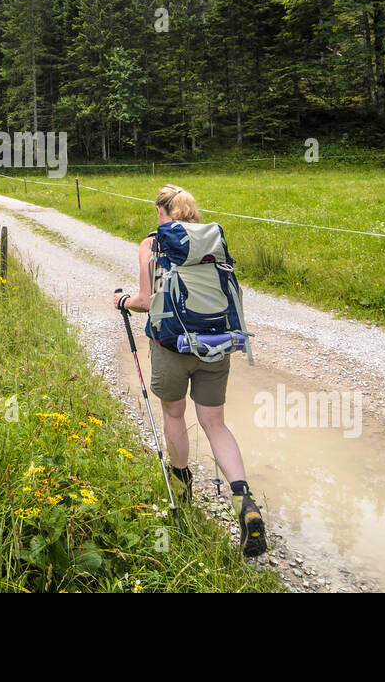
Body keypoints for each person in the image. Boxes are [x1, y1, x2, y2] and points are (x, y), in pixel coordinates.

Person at [112, 183, 268, 557]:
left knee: (175, 415)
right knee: (216, 424)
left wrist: (122, 300)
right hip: (217, 344)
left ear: (161, 212)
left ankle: (181, 490)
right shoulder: (213, 241)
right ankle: (244, 501)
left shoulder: (153, 244)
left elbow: (147, 301)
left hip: (172, 346)